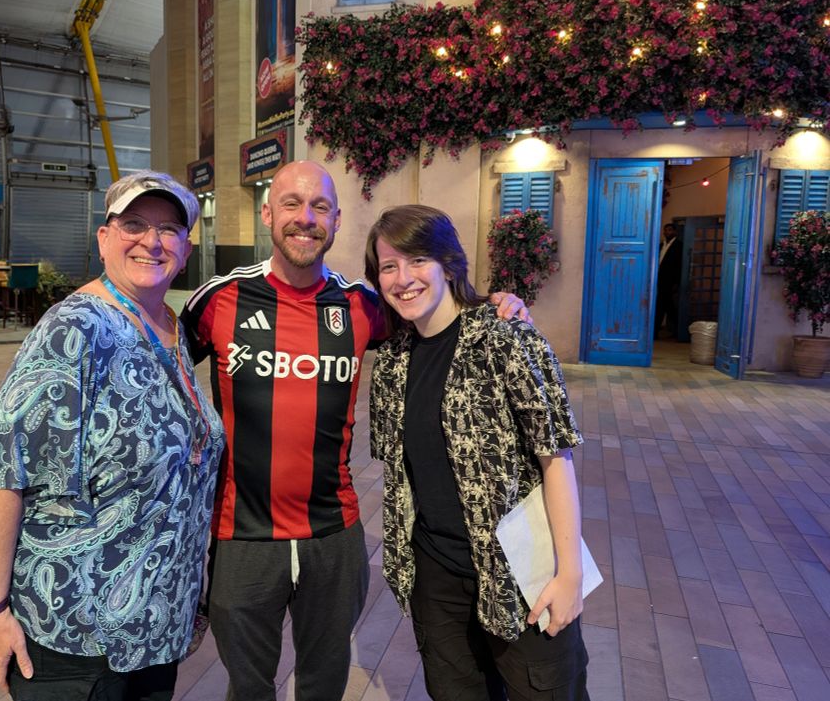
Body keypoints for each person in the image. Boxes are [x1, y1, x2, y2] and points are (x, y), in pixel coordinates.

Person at [181, 160, 528, 701]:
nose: (305, 218)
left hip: (334, 534)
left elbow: (438, 316)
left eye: (319, 206)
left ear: (336, 220)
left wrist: (495, 304)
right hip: (241, 535)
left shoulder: (363, 306)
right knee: (248, 687)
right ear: (268, 213)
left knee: (324, 682)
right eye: (292, 204)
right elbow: (156, 354)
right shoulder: (218, 299)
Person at [0, 171, 225, 701]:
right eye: (135, 224)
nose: (152, 241)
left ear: (186, 249)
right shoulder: (73, 330)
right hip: (76, 635)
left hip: (155, 627)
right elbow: (1, 475)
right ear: (104, 238)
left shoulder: (168, 324)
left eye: (169, 229)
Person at [365, 204, 589, 701]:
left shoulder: (505, 336)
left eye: (418, 260)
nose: (403, 279)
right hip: (437, 576)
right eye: (389, 266)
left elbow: (555, 459)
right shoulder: (393, 361)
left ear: (448, 263)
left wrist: (570, 573)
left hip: (523, 571)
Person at [655, 222, 683, 338]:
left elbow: (679, 266)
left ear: (675, 232)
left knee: (662, 305)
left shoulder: (679, 246)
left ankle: (656, 331)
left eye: (670, 230)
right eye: (666, 230)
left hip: (670, 281)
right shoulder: (661, 245)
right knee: (666, 305)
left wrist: (676, 282)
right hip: (659, 279)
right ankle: (678, 331)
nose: (667, 232)